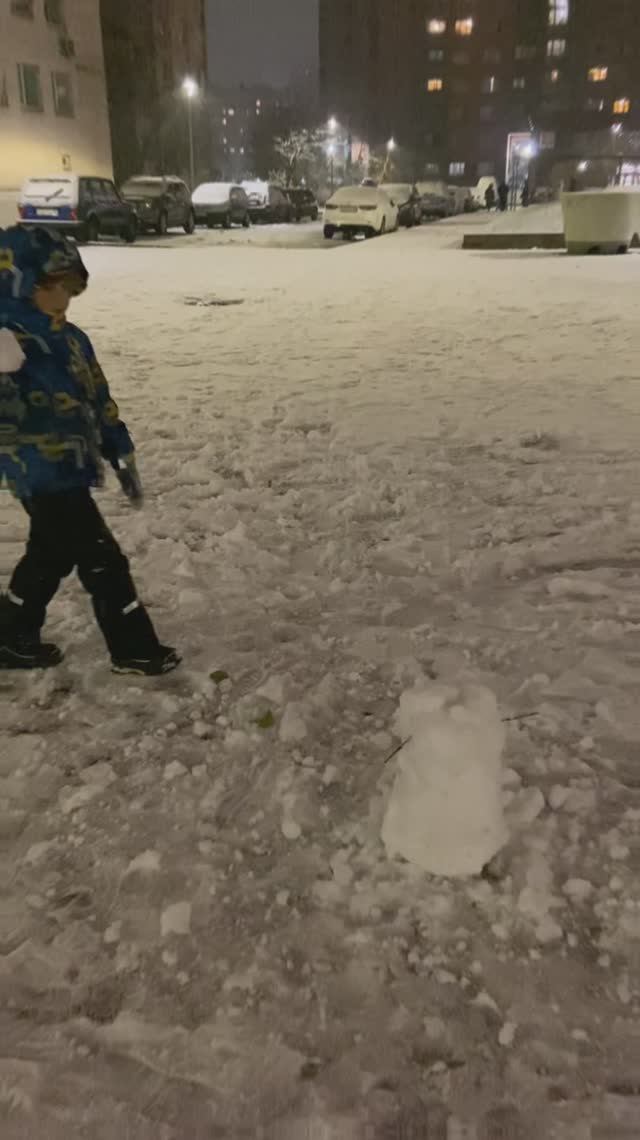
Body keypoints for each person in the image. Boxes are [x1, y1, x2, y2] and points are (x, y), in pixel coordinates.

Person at [0, 225, 180, 675]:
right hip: (38, 471)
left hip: (73, 465)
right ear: (19, 284)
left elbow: (98, 397)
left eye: (67, 288)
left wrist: (118, 448)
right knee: (102, 559)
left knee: (51, 553)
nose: (61, 299)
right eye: (49, 288)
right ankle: (133, 647)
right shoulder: (9, 341)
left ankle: (9, 633)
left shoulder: (73, 339)